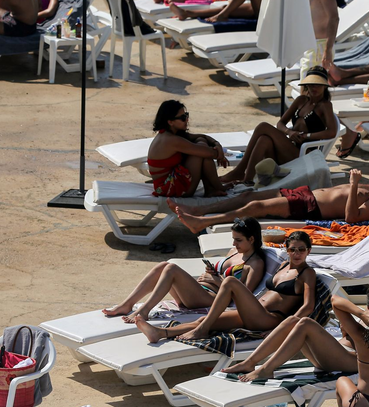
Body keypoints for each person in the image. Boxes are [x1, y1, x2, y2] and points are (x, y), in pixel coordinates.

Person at [134, 231, 318, 343]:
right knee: (206, 320)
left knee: (230, 282)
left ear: (308, 251)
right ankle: (160, 333)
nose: (297, 254)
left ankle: (201, 331)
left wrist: (279, 329)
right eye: (292, 249)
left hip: (269, 318)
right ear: (287, 250)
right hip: (254, 311)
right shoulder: (283, 265)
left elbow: (308, 307)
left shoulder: (307, 273)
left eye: (301, 249)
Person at [223, 272, 369, 380]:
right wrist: (361, 314)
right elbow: (334, 299)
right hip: (334, 355)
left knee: (305, 323)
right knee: (293, 320)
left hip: (352, 362)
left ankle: (265, 369)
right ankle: (250, 362)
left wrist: (355, 328)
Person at [103, 218, 267, 323]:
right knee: (163, 266)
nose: (234, 244)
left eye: (238, 240)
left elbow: (244, 296)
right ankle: (127, 304)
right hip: (199, 291)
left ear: (251, 239)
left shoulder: (255, 264)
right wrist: (212, 273)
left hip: (211, 299)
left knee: (171, 269)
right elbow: (222, 275)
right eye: (233, 239)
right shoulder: (234, 252)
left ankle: (144, 311)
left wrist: (216, 280)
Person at [168, 161, 369, 231]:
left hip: (310, 206)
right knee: (249, 195)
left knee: (256, 207)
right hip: (305, 194)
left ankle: (202, 222)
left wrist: (354, 184)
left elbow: (352, 218)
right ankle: (200, 210)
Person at [220, 67, 337, 185]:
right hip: (288, 148)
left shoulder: (325, 105)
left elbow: (332, 132)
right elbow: (280, 123)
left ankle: (239, 170)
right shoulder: (301, 100)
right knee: (263, 139)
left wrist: (307, 136)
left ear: (324, 86)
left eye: (318, 85)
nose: (314, 88)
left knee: (263, 126)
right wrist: (289, 132)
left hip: (304, 154)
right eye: (311, 84)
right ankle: (248, 179)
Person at [148, 100, 228, 198]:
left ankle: (212, 189)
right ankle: (217, 187)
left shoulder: (170, 134)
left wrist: (217, 144)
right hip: (167, 188)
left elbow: (203, 136)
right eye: (183, 118)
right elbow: (210, 153)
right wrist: (220, 154)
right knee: (200, 152)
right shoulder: (172, 140)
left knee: (201, 144)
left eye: (186, 115)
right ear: (170, 122)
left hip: (169, 181)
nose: (187, 120)